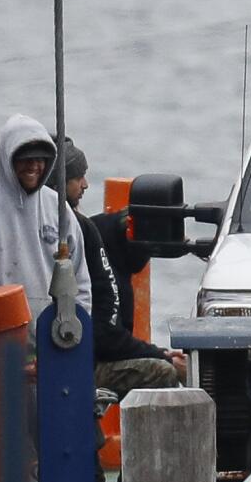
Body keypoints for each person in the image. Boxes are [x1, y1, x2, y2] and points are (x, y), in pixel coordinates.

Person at [57, 139, 185, 396]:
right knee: (164, 372)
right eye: (78, 177)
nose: (85, 184)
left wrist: (158, 352)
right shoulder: (89, 239)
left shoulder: (90, 230)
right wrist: (162, 357)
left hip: (85, 352)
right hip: (77, 362)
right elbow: (105, 337)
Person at [0, 113, 92, 317]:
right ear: (8, 157)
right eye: (25, 159)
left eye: (41, 159)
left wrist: (75, 332)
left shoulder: (58, 208)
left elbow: (80, 281)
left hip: (48, 341)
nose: (34, 166)